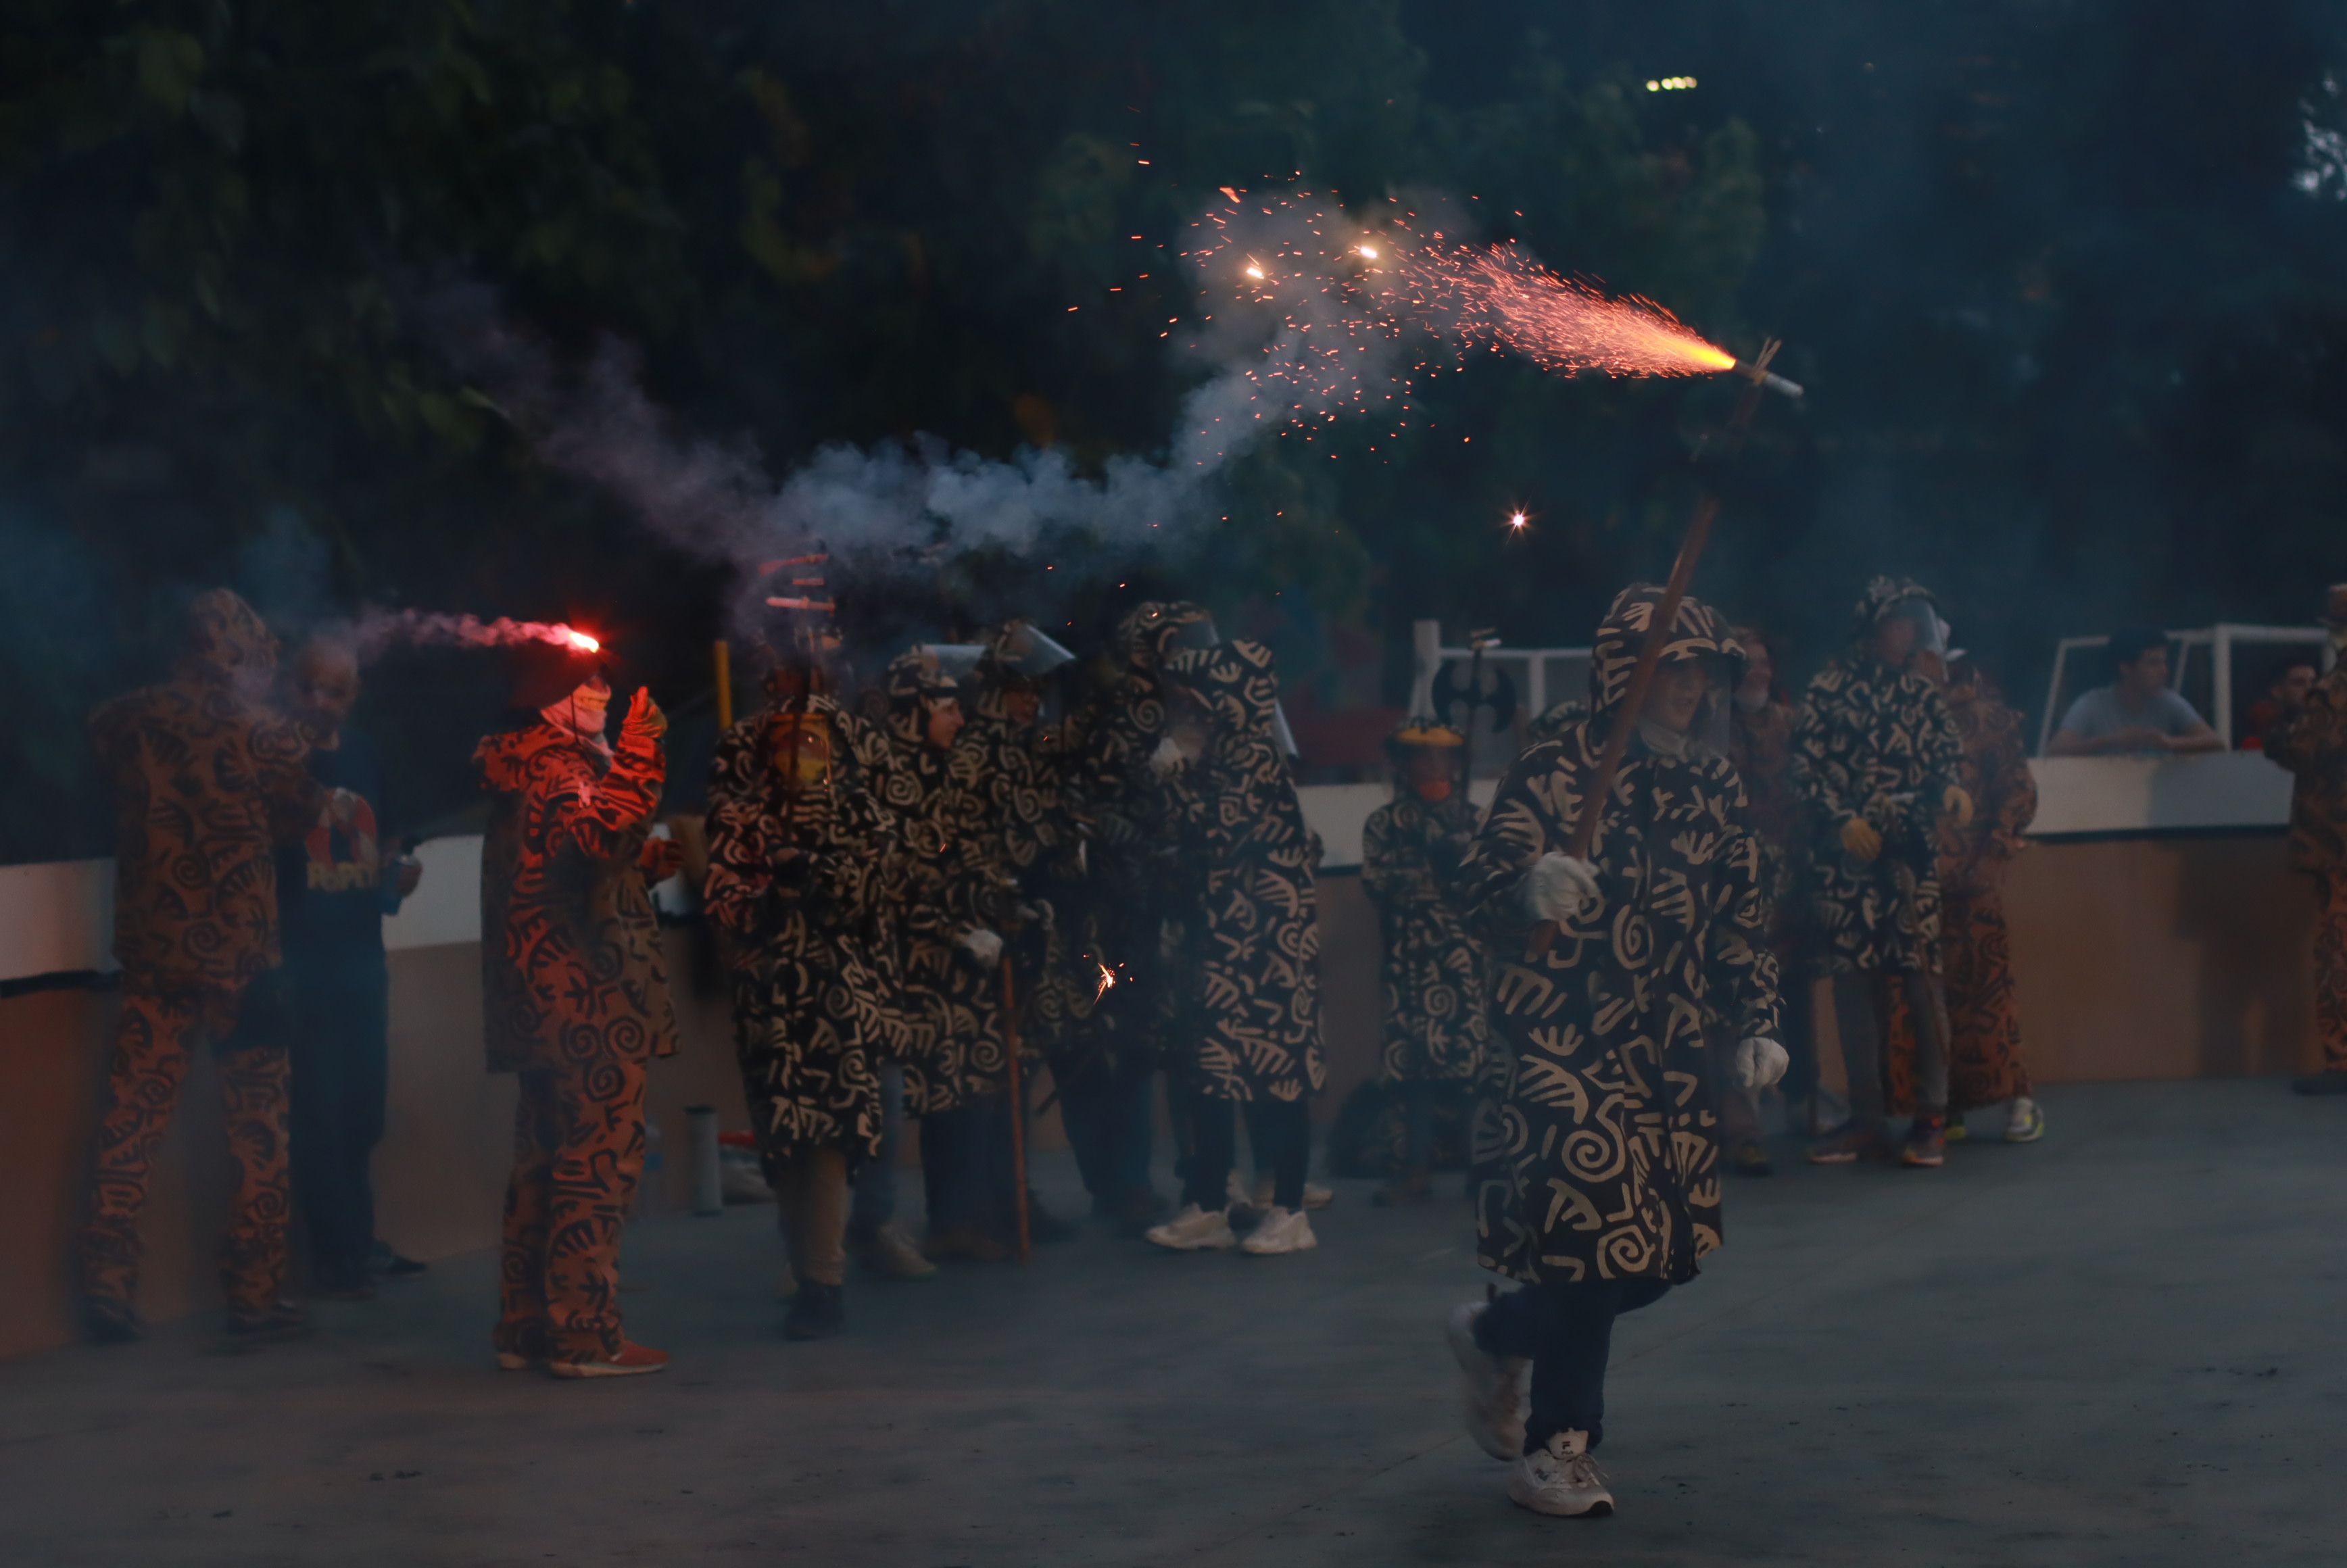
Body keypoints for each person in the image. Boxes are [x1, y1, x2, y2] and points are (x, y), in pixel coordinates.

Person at [1445, 585, 1786, 1519]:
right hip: (1557, 1038)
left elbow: (1738, 925)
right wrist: (1525, 891)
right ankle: (1560, 1447)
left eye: (1699, 668)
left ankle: (1498, 1330)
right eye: (1667, 665)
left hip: (1663, 1053)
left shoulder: (1714, 786)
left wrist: (1756, 1019)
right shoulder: (1559, 766)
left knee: (1649, 1262)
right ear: (1622, 674)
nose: (1686, 684)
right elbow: (1476, 883)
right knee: (1595, 1248)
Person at [80, 589, 323, 1345]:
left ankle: (108, 1285)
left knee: (134, 1117)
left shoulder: (120, 721)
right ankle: (253, 1296)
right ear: (240, 650)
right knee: (258, 1131)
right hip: (243, 958)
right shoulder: (266, 732)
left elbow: (97, 760)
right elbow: (302, 814)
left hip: (154, 949)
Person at [476, 646, 681, 1378]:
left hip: (540, 1004)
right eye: (586, 681)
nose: (603, 690)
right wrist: (643, 747)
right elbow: (594, 838)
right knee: (598, 1162)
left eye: (604, 679)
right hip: (588, 1000)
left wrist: (642, 868)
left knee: (542, 1162)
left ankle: (527, 1326)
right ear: (551, 698)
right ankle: (586, 1335)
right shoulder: (561, 765)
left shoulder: (525, 761)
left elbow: (562, 867)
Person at [704, 643, 896, 1337]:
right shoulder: (739, 812)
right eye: (788, 742)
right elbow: (724, 896)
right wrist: (769, 888)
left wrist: (818, 876)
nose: (800, 755)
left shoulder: (857, 811)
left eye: (813, 740)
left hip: (837, 995)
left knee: (830, 1134)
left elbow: (872, 895)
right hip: (768, 998)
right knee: (784, 1138)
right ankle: (809, 1265)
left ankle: (825, 1278)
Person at [1145, 639, 1328, 1256]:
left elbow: (1215, 848)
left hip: (1267, 958)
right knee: (1213, 1079)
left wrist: (1172, 785)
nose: (1186, 720)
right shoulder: (1219, 763)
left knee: (1278, 1080)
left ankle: (1290, 1209)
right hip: (1221, 952)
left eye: (1197, 708)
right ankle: (1209, 1205)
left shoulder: (1250, 763)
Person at [1793, 577, 1973, 1169]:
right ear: (1873, 628)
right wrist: (1841, 819)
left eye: (1912, 623)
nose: (1908, 634)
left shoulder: (1920, 695)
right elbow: (1807, 767)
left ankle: (1932, 1115)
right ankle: (1866, 1118)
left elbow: (1946, 754)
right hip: (1848, 865)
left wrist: (1949, 787)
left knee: (1923, 984)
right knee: (1853, 989)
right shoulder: (1827, 689)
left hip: (1908, 859)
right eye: (1898, 623)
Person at [276, 635, 427, 1301]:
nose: (318, 701)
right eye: (308, 686)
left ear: (352, 695)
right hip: (297, 964)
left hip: (363, 958)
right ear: (288, 686)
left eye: (332, 690)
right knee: (318, 1111)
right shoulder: (278, 757)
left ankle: (359, 1242)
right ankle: (338, 1255)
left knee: (364, 1113)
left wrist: (400, 870)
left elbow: (388, 834)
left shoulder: (363, 753)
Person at [869, 647, 1016, 1262]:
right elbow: (896, 880)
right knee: (939, 1097)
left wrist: (1004, 900)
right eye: (948, 707)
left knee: (974, 1091)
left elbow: (966, 858)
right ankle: (939, 1222)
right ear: (917, 708)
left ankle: (970, 1217)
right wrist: (955, 932)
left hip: (965, 972)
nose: (959, 720)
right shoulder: (886, 781)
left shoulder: (947, 772)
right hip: (914, 972)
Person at [1885, 652, 2046, 1142]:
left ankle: (2020, 1097)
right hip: (1914, 883)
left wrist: (1996, 852)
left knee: (1987, 993)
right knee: (1923, 1000)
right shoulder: (1894, 718)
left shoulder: (1984, 718)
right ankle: (1943, 1103)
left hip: (1971, 878)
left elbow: (2018, 790)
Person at [1359, 719, 1485, 1207]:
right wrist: (1422, 865)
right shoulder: (1385, 824)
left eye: (1442, 757)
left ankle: (1483, 1167)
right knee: (1410, 1073)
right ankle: (1412, 1168)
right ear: (1404, 764)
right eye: (1421, 756)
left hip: (1467, 964)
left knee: (1475, 1071)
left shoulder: (1476, 821)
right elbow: (1376, 883)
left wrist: (1462, 869)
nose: (1433, 766)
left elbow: (1493, 889)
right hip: (1410, 966)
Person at [1724, 624, 1811, 1169]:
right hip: (1733, 885)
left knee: (1794, 994)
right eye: (1748, 662)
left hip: (1788, 883)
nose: (1759, 670)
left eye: (1764, 661)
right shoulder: (1711, 727)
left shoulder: (1790, 724)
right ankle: (1743, 1124)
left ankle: (1802, 1102)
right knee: (1739, 999)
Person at [2266, 585, 2347, 1096]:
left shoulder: (2339, 685)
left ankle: (2342, 1061)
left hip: (2338, 841)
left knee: (2338, 947)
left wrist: (2281, 730)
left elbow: (2310, 747)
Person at [2044, 628, 2221, 756]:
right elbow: (2054, 750)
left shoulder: (2170, 702)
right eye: (2154, 663)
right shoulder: (2092, 703)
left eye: (2164, 662)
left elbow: (2217, 743)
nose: (2164, 671)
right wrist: (2111, 741)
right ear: (2126, 668)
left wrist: (2169, 742)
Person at [2238, 655, 2318, 752]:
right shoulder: (2265, 721)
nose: (2310, 690)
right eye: (2299, 683)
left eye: (2313, 683)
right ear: (2277, 691)